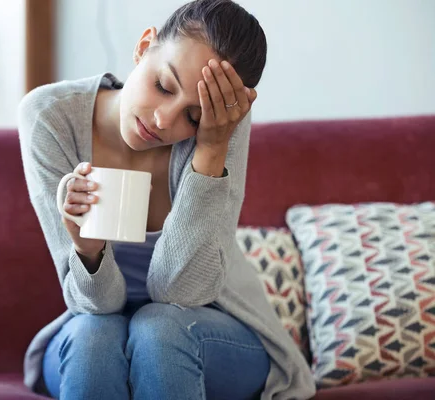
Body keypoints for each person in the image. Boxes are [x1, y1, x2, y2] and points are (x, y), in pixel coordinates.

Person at [17, 0, 315, 399]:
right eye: (163, 86)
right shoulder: (49, 116)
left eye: (193, 117)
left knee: (159, 329)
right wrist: (88, 249)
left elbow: (182, 294)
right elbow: (93, 304)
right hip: (93, 326)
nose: (163, 121)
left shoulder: (221, 128)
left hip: (205, 330)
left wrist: (211, 148)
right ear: (144, 47)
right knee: (95, 338)